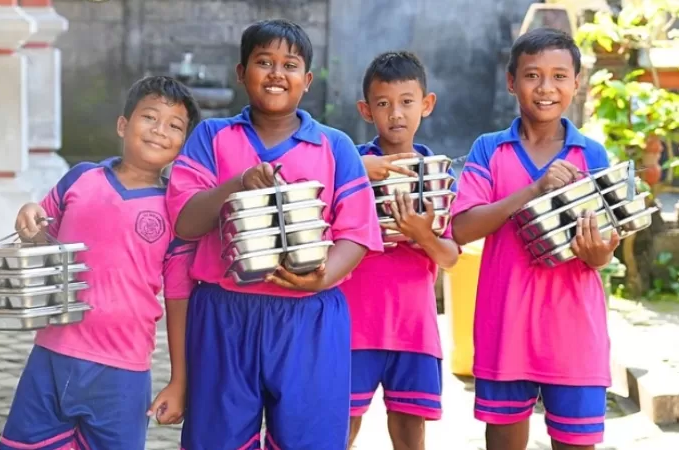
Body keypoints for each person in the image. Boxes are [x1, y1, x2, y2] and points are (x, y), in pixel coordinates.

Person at [166, 19, 383, 450]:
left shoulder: (335, 146)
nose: (276, 74)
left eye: (290, 65)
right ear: (241, 71)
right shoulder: (211, 137)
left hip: (310, 317)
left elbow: (358, 233)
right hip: (224, 313)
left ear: (307, 79)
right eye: (264, 62)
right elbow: (186, 223)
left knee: (310, 439)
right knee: (217, 439)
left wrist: (322, 277)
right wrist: (237, 184)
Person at [0, 76, 200, 450]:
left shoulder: (177, 212)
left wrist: (179, 381)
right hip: (51, 356)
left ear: (183, 145)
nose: (159, 130)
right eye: (149, 117)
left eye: (174, 126)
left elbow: (178, 300)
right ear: (123, 124)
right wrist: (28, 215)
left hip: (123, 372)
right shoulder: (81, 178)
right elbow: (41, 240)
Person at [450, 28, 620, 450]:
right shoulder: (489, 150)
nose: (546, 88)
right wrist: (533, 190)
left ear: (576, 82)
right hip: (505, 329)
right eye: (532, 75)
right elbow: (463, 227)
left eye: (559, 76)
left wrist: (599, 253)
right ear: (511, 82)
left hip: (574, 335)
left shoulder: (591, 155)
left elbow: (603, 245)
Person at [339, 51, 460, 450]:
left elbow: (450, 256)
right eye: (383, 103)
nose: (396, 113)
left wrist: (422, 235)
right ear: (366, 109)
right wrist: (358, 170)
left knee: (410, 433)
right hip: (354, 324)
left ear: (427, 104)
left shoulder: (438, 176)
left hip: (414, 327)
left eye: (407, 101)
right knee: (340, 429)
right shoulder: (348, 165)